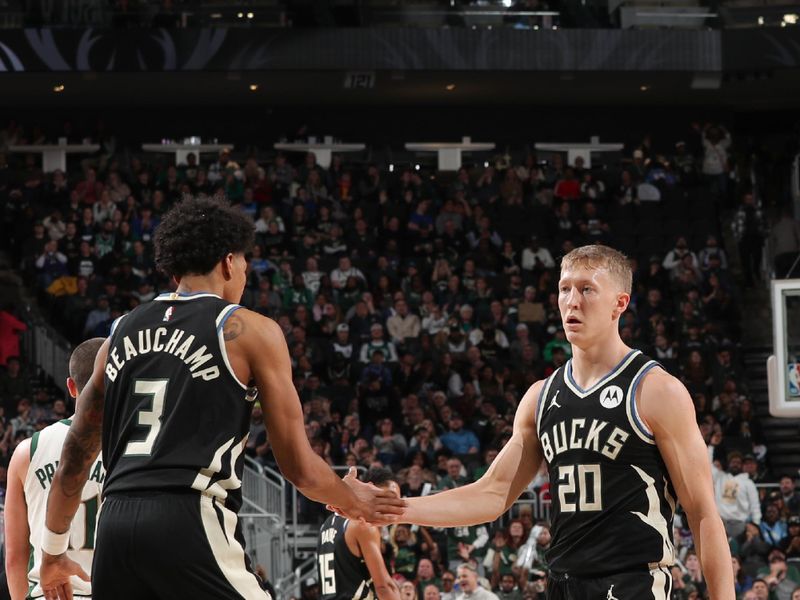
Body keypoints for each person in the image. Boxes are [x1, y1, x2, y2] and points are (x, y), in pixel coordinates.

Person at [39, 197, 405, 600]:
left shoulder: (119, 334)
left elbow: (76, 451)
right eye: (245, 265)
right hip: (187, 518)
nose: (245, 275)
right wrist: (353, 500)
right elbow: (299, 468)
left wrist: (53, 552)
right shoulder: (248, 329)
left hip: (114, 522)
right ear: (229, 262)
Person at [386, 245, 733, 599]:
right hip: (562, 585)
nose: (572, 300)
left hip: (632, 583)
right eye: (564, 288)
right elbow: (491, 494)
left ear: (620, 304)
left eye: (587, 289)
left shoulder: (656, 390)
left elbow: (703, 513)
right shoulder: (539, 396)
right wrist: (397, 509)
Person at [4, 338, 105, 600]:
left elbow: (14, 556)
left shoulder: (28, 450)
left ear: (71, 387)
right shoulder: (130, 451)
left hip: (45, 593)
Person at [317, 467, 402, 600]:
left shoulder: (326, 525)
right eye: (389, 498)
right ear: (370, 489)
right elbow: (384, 587)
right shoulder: (363, 525)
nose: (394, 506)